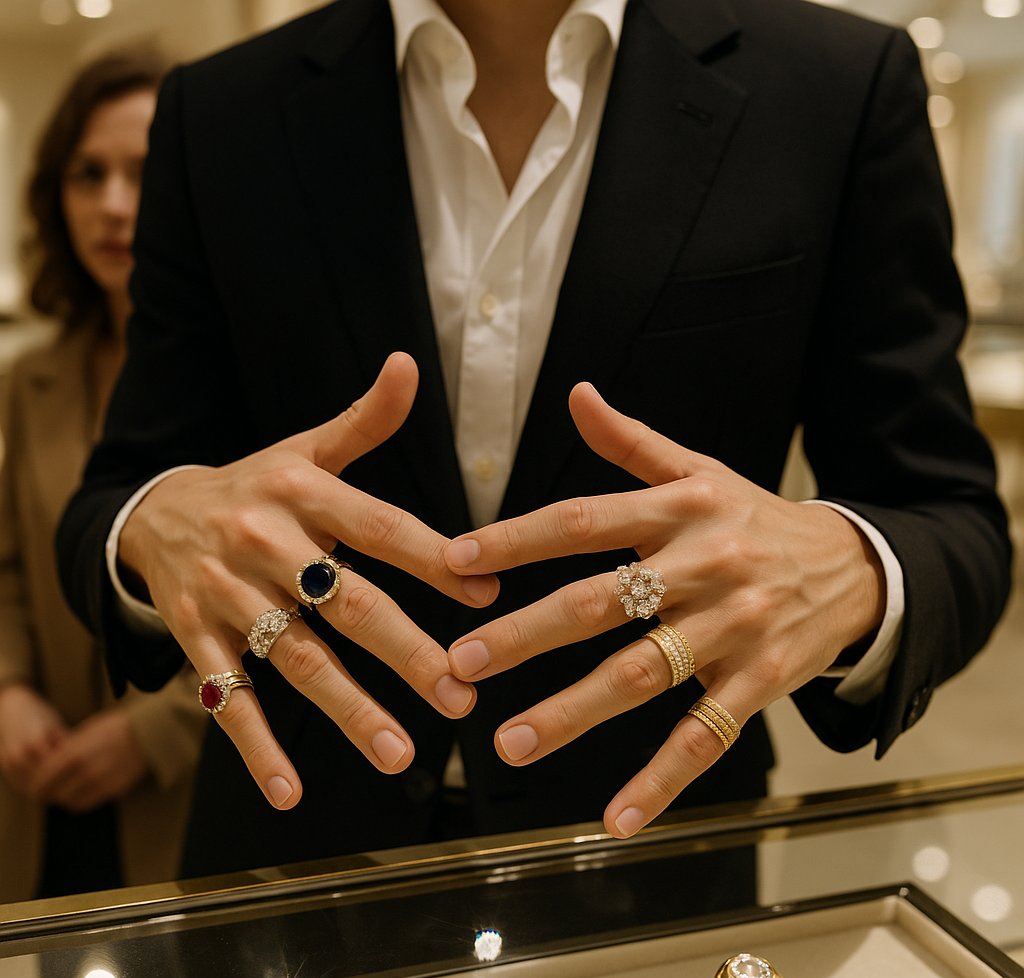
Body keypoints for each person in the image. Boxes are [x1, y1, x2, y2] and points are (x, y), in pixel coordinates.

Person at [58, 0, 1011, 881]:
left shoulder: (835, 86)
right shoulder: (222, 110)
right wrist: (156, 521)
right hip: (290, 849)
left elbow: (948, 517)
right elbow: (118, 493)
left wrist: (853, 565)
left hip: (654, 850)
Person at [0, 47, 207, 901]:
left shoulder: (244, 379)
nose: (114, 205)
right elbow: (7, 568)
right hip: (37, 791)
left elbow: (298, 592)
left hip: (195, 797)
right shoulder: (30, 380)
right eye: (89, 175)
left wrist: (158, 731)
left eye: (144, 171)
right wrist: (8, 691)